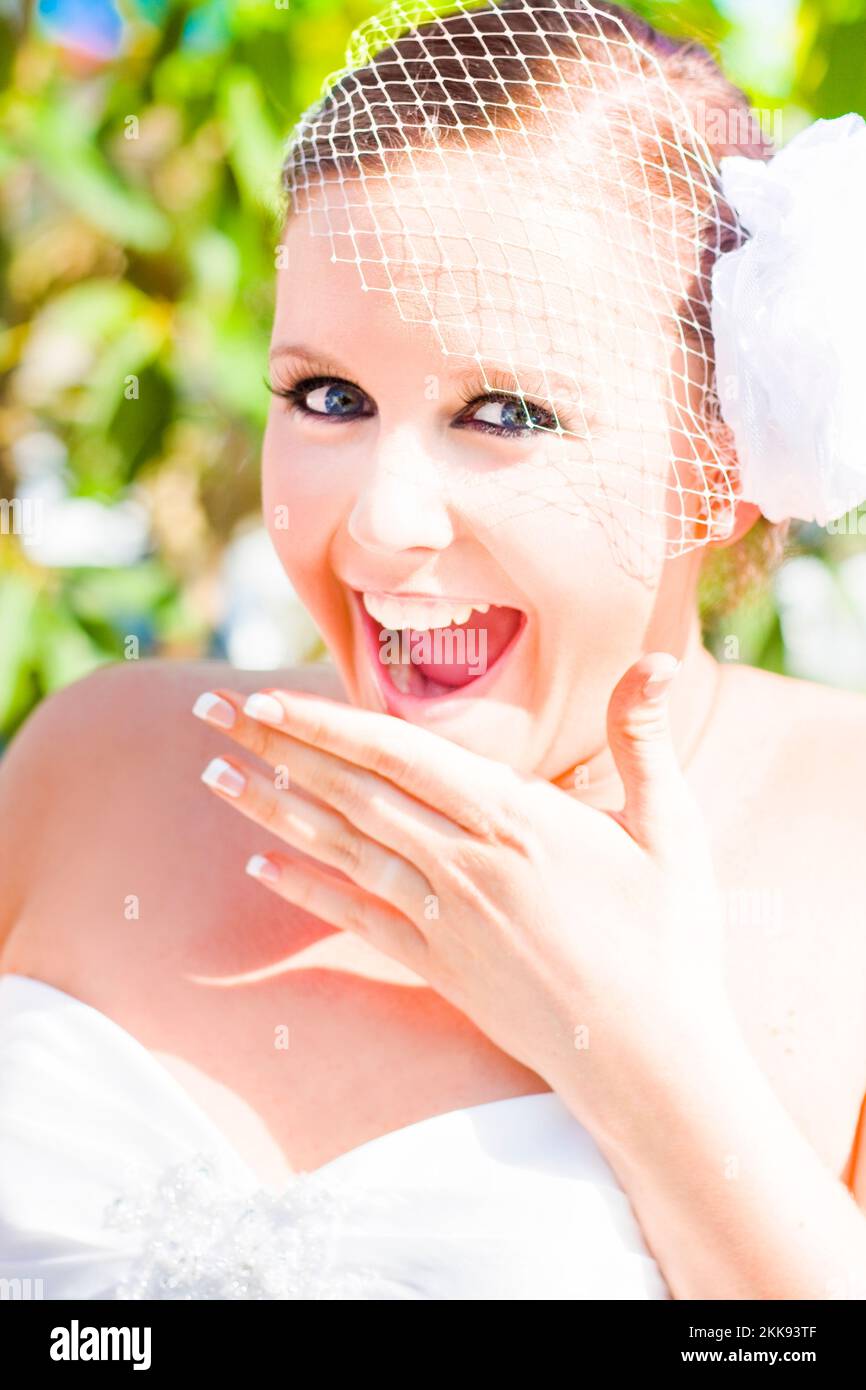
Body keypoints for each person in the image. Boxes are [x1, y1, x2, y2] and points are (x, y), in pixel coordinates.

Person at [1, 0, 866, 1301]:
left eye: (502, 413)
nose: (380, 524)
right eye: (326, 396)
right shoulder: (92, 756)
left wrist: (638, 1048)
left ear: (720, 463)